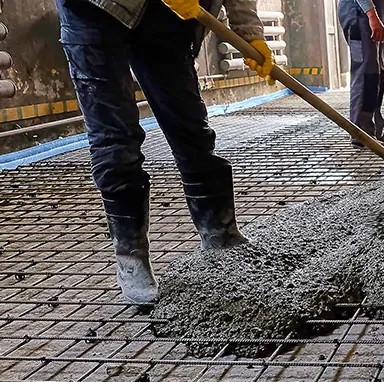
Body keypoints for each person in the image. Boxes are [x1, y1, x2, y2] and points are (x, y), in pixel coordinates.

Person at [55, 0, 275, 305]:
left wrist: (249, 31)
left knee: (190, 127)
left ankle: (220, 234)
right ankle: (131, 256)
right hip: (94, 12)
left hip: (167, 14)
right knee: (115, 139)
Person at [338, 0, 384, 147]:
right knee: (366, 74)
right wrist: (372, 15)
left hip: (372, 14)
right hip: (359, 16)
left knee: (376, 73)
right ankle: (361, 133)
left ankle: (374, 130)